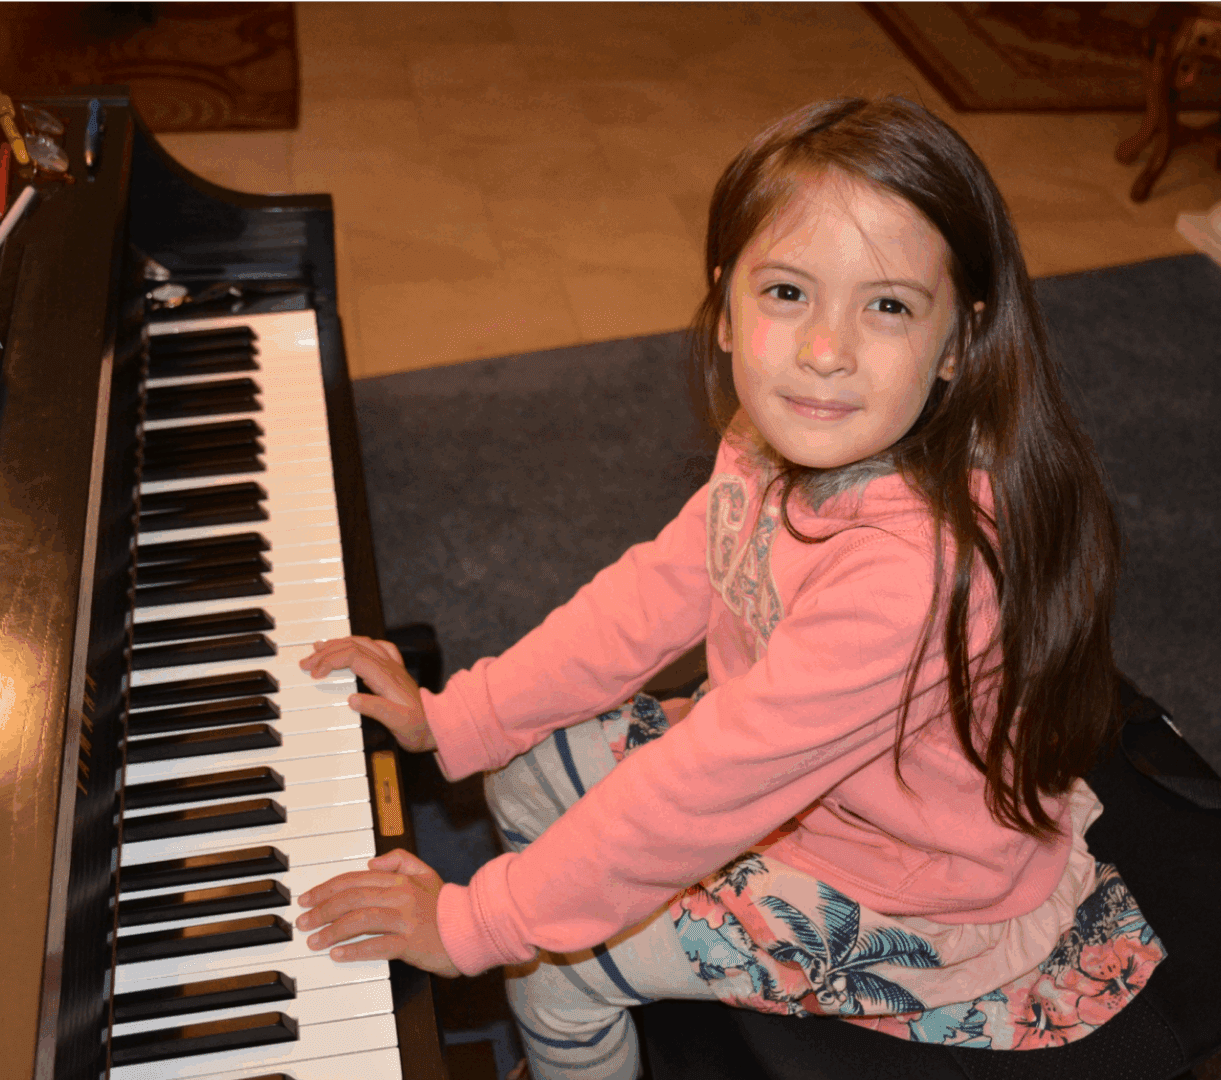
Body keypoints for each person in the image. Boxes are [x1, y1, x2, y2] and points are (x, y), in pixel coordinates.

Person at [295, 97, 1166, 1077]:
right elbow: (660, 589)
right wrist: (458, 717)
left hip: (902, 882)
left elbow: (706, 788)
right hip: (792, 782)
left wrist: (476, 922)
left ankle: (590, 1010)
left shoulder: (910, 571)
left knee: (550, 970)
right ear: (724, 307)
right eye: (787, 293)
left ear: (958, 343)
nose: (823, 350)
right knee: (521, 769)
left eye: (885, 305)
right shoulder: (776, 433)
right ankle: (612, 953)